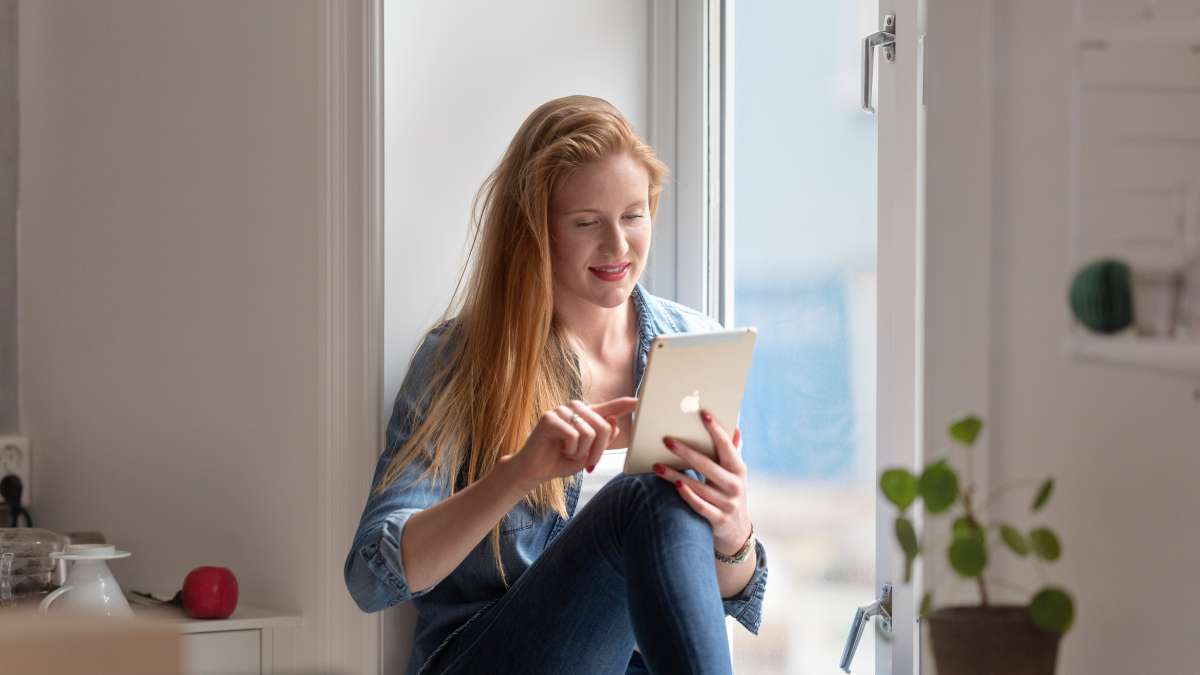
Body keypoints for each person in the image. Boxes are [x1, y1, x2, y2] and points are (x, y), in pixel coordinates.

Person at [344, 95, 767, 675]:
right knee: (640, 496)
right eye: (587, 223)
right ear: (536, 233)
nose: (618, 247)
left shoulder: (695, 342)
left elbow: (729, 595)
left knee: (664, 497)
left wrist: (731, 526)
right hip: (487, 658)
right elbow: (372, 575)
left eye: (634, 215)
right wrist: (516, 475)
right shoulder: (463, 359)